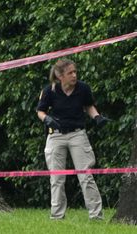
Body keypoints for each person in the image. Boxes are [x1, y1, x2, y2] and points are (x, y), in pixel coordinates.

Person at [36, 58, 109, 220]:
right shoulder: (50, 90)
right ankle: (57, 217)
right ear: (60, 76)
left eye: (75, 72)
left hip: (78, 134)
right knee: (56, 178)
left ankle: (96, 216)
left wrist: (97, 117)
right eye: (70, 73)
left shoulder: (83, 89)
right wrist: (47, 119)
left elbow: (89, 106)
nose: (74, 75)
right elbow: (40, 111)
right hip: (55, 136)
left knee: (86, 176)